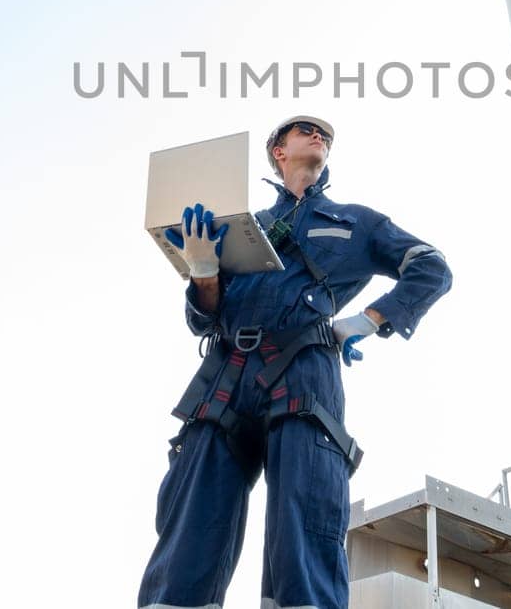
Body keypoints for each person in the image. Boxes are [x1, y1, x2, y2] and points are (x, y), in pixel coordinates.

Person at [138, 115, 454, 609]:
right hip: (223, 378)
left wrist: (369, 320)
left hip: (303, 374)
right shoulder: (242, 226)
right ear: (277, 151)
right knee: (189, 535)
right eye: (303, 129)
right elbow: (203, 320)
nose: (318, 135)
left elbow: (431, 267)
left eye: (323, 134)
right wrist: (202, 272)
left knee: (303, 529)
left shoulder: (357, 221)